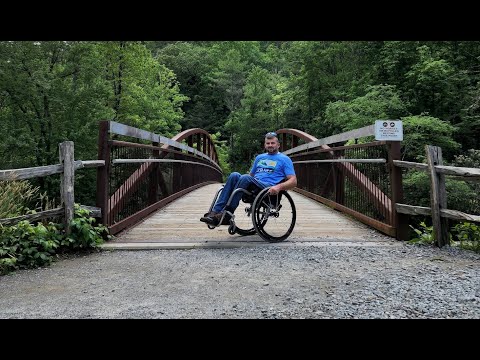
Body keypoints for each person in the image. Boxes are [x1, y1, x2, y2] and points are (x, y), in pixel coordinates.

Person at [200, 131, 297, 226]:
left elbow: (293, 181)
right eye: (268, 143)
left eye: (273, 143)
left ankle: (227, 214)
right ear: (265, 145)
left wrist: (279, 187)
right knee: (234, 175)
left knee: (245, 178)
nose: (270, 145)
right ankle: (214, 212)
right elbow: (251, 175)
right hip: (255, 185)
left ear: (278, 145)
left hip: (267, 187)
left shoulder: (285, 159)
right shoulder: (260, 158)